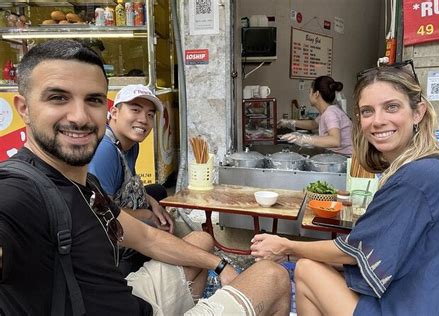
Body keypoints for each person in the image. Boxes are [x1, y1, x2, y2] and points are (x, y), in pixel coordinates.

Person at [0, 39, 290, 315]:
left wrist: (221, 264)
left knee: (201, 242)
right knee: (272, 275)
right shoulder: (19, 192)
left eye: (93, 100)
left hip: (128, 297)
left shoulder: (85, 183)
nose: (79, 116)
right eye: (58, 97)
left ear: (106, 108)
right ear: (24, 108)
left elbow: (148, 239)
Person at [250, 61, 439, 314]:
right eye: (367, 111)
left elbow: (357, 251)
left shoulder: (419, 177)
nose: (378, 121)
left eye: (391, 107)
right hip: (435, 297)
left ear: (418, 112)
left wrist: (287, 246)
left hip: (421, 305)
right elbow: (384, 254)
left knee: (306, 270)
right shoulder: (437, 167)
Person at [88, 84, 173, 275]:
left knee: (157, 192)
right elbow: (100, 214)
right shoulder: (105, 151)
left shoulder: (131, 144)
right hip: (101, 238)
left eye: (150, 114)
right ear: (115, 112)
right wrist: (149, 216)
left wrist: (155, 205)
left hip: (113, 204)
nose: (143, 120)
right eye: (135, 110)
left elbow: (131, 184)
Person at [278, 76, 352, 155]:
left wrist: (304, 139)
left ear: (316, 94)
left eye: (310, 92)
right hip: (339, 156)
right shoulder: (328, 111)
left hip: (346, 158)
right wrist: (290, 122)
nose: (309, 95)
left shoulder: (330, 113)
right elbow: (313, 124)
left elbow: (335, 140)